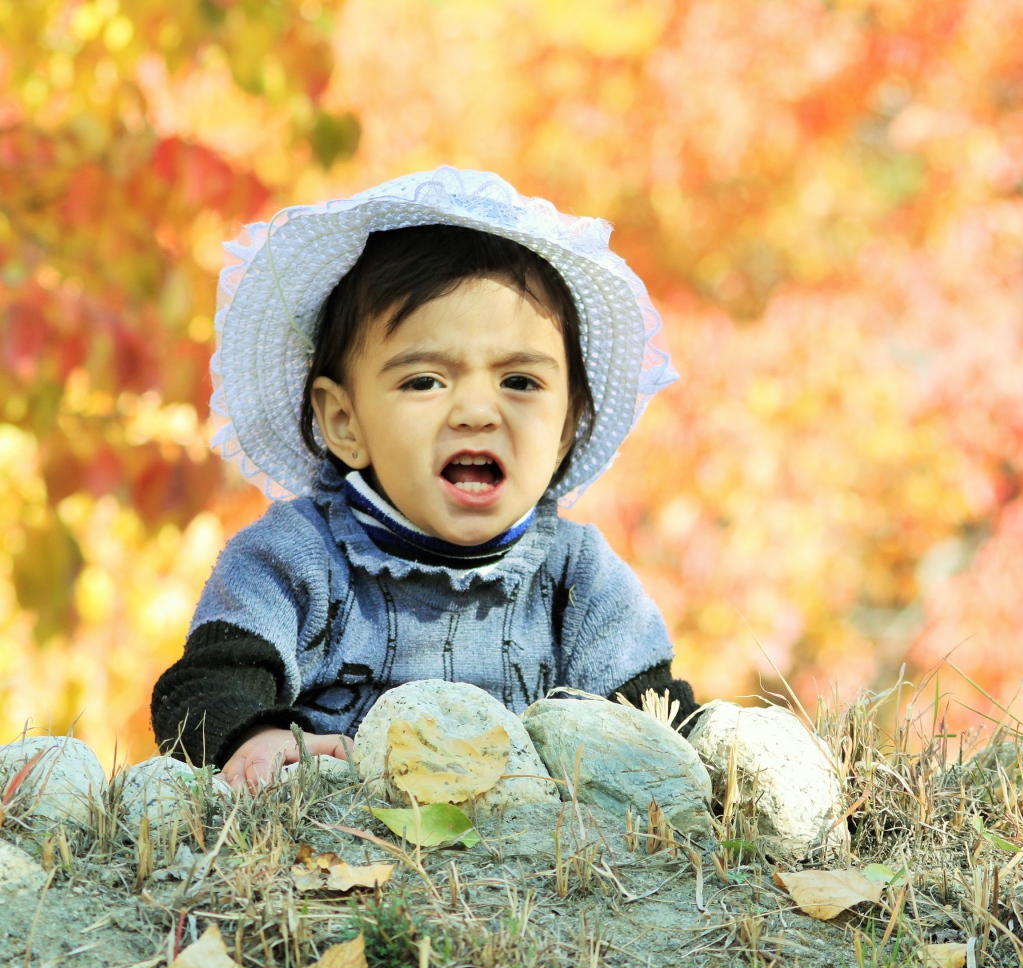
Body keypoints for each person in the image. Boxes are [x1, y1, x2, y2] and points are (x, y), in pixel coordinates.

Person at [151, 167, 700, 792]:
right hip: (338, 858)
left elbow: (661, 725)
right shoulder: (295, 558)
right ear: (344, 421)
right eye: (424, 382)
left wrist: (708, 755)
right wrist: (251, 737)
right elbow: (204, 686)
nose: (475, 411)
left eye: (520, 381)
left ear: (568, 424)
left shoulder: (580, 582)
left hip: (520, 860)